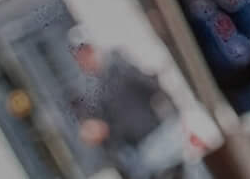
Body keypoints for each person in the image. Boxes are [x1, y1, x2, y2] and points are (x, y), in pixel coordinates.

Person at [71, 33, 193, 179]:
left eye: (82, 54)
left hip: (162, 136)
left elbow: (153, 86)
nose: (82, 61)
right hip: (145, 149)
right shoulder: (95, 89)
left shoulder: (118, 65)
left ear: (90, 50)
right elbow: (103, 126)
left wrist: (176, 115)